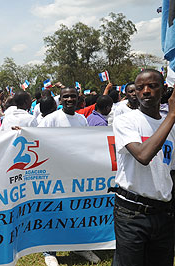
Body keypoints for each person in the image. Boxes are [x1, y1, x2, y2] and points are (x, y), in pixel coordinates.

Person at [111, 69, 175, 266]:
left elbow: (171, 171)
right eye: (140, 88)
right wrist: (172, 114)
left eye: (153, 86)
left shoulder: (170, 127)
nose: (146, 91)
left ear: (164, 89)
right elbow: (143, 155)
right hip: (132, 214)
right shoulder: (126, 120)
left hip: (164, 213)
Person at [38, 87, 100, 266]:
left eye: (73, 96)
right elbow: (37, 139)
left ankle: (78, 245)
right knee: (54, 211)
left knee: (76, 210)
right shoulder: (51, 119)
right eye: (66, 97)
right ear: (60, 99)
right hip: (54, 175)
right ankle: (49, 251)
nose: (70, 99)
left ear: (78, 98)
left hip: (76, 175)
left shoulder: (82, 119)